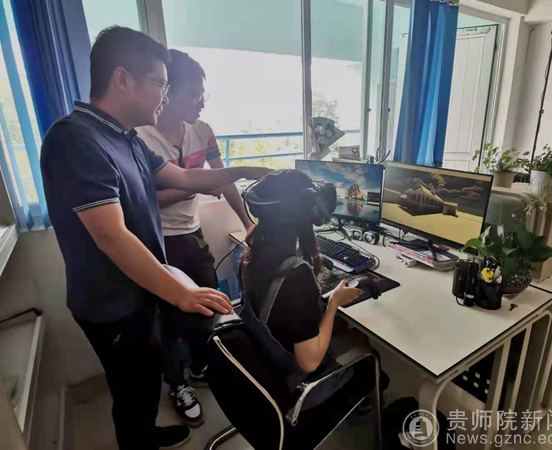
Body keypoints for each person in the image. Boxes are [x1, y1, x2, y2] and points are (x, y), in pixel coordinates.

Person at [41, 26, 270, 450]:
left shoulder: (125, 138)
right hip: (110, 303)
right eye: (160, 83)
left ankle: (147, 432)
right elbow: (111, 237)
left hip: (138, 292)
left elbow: (185, 177)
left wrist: (245, 170)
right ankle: (139, 439)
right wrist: (179, 292)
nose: (165, 95)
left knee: (145, 381)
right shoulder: (75, 138)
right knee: (132, 392)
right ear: (122, 79)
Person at [136, 49, 253, 425]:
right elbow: (143, 200)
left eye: (204, 94)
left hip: (192, 233)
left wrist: (248, 223)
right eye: (193, 94)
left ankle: (204, 366)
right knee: (169, 318)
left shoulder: (203, 131)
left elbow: (225, 180)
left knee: (211, 301)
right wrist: (193, 188)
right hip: (157, 241)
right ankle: (177, 383)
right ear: (167, 93)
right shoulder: (140, 137)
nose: (201, 102)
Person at [241, 170, 364, 375]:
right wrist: (334, 303)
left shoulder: (250, 258)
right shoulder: (296, 276)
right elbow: (309, 362)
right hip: (295, 376)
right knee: (361, 340)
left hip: (267, 355)